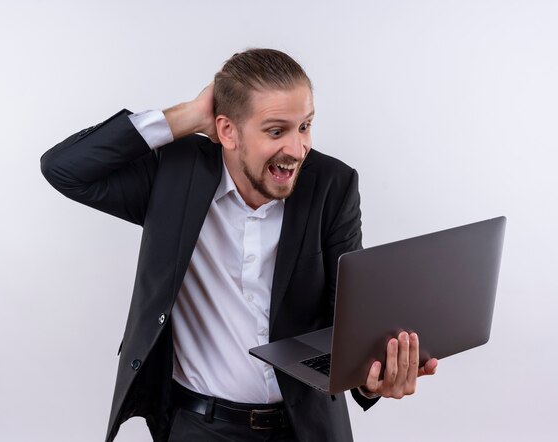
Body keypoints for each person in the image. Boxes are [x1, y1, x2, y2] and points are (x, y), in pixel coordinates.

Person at [41, 48, 437, 442]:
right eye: (276, 130)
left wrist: (371, 382)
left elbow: (346, 317)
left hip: (305, 427)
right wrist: (187, 116)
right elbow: (65, 168)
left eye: (305, 126)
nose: (298, 149)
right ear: (227, 130)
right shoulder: (174, 176)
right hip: (198, 425)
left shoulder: (333, 185)